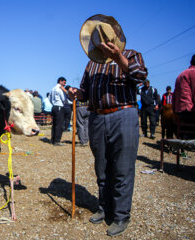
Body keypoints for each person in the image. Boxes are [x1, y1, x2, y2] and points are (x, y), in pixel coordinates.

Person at [69, 14, 147, 236]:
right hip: (97, 117)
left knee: (122, 168)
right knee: (101, 168)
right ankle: (104, 208)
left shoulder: (132, 55)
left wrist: (118, 57)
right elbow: (85, 92)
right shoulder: (92, 63)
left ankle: (121, 215)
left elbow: (140, 77)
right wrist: (77, 93)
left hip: (124, 115)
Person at [49, 77, 67, 146]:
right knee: (59, 124)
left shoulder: (53, 88)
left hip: (54, 106)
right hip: (59, 106)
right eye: (64, 82)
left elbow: (50, 98)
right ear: (60, 81)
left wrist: (53, 103)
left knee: (54, 124)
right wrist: (68, 102)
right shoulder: (60, 88)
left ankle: (53, 139)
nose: (65, 84)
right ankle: (57, 141)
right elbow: (63, 98)